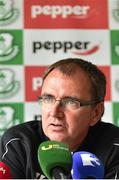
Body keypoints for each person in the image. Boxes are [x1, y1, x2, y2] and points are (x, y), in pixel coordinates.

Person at [0, 58, 119, 179]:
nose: (54, 112)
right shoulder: (19, 142)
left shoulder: (115, 148)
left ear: (95, 113)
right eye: (48, 99)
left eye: (70, 102)